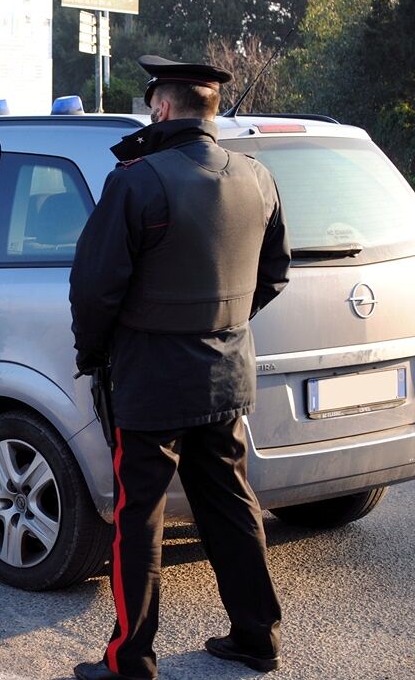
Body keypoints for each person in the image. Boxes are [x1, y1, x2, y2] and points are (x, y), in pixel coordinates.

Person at [68, 55, 291, 680]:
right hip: (226, 373)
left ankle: (130, 661)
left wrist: (93, 355)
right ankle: (256, 639)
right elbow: (275, 274)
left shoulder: (137, 181)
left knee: (138, 516)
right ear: (210, 110)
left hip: (150, 379)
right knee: (229, 502)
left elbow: (94, 288)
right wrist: (218, 325)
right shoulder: (259, 177)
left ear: (161, 109)